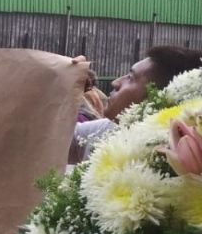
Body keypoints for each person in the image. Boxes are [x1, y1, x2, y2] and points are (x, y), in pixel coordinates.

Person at [69, 46, 202, 164]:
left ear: (157, 97)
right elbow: (54, 139)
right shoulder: (106, 129)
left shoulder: (170, 163)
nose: (115, 83)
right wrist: (62, 75)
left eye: (131, 78)